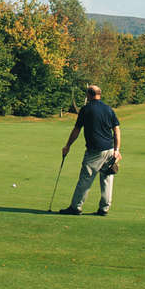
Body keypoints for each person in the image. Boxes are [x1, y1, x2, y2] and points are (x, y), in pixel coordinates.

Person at [57, 85, 121, 216]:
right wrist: (117, 149)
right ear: (99, 94)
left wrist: (68, 145)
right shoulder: (108, 109)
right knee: (107, 179)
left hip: (95, 151)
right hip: (109, 150)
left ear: (88, 95)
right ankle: (104, 209)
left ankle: (76, 207)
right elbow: (116, 130)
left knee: (85, 179)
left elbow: (77, 129)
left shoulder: (86, 109)